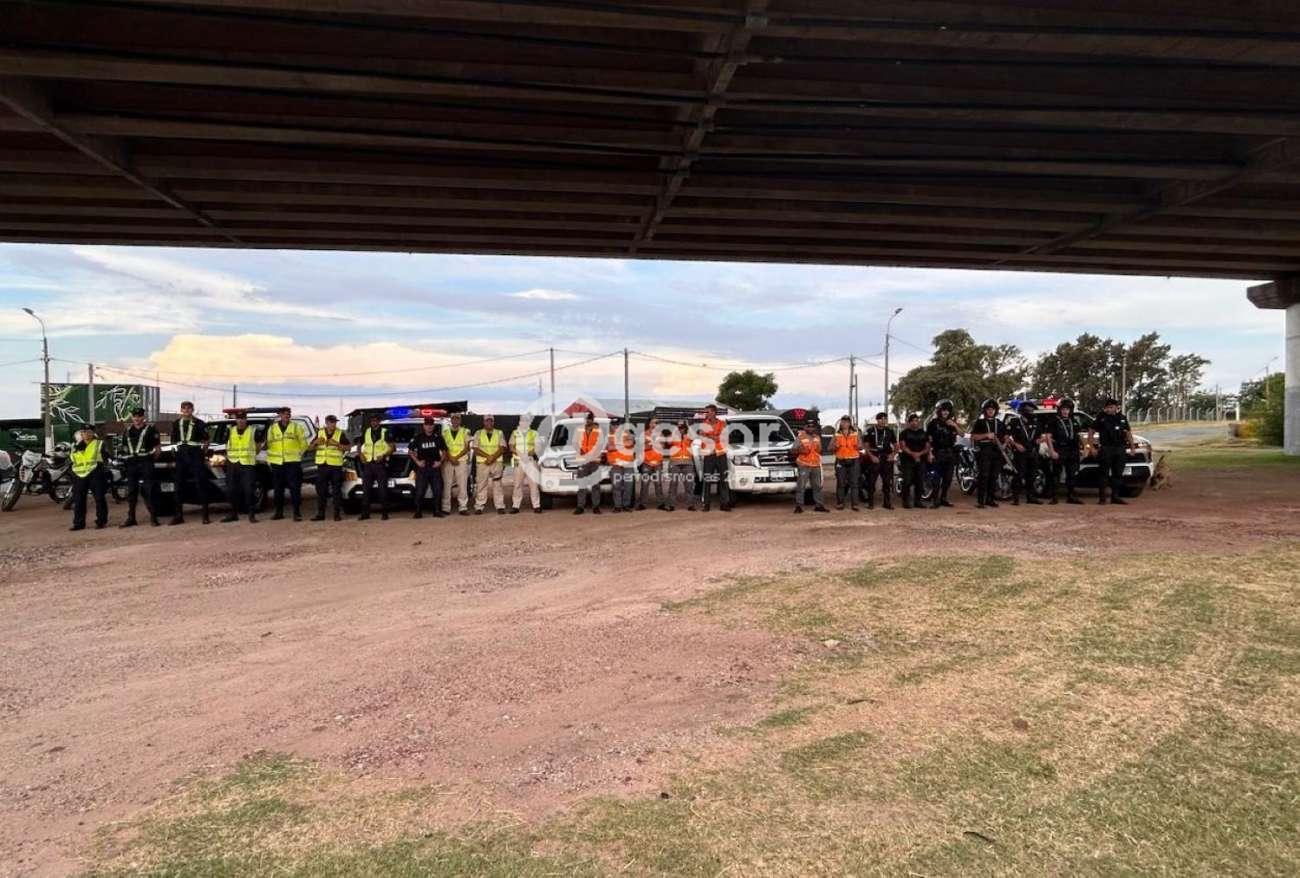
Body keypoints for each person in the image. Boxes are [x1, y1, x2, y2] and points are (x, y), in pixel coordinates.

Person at [118, 406, 160, 528]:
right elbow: (124, 448)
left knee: (149, 491)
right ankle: (131, 518)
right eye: (134, 416)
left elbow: (158, 448)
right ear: (132, 417)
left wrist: (150, 461)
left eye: (139, 416)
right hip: (132, 464)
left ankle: (154, 518)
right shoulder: (127, 431)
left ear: (143, 417)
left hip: (146, 462)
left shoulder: (151, 430)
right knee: (131, 491)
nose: (137, 418)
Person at [170, 400, 210, 525]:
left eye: (189, 408)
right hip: (181, 455)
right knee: (178, 485)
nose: (186, 410)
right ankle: (178, 516)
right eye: (184, 408)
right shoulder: (176, 423)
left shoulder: (200, 423)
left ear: (192, 410)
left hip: (195, 454)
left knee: (201, 484)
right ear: (181, 410)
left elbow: (206, 440)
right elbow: (173, 440)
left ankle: (205, 515)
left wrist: (201, 453)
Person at [1093, 397, 1137, 505]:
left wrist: (1132, 447)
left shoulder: (1122, 418)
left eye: (1111, 407)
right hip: (1106, 448)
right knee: (1103, 474)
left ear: (1116, 407)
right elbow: (1091, 431)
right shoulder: (1101, 417)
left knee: (1118, 473)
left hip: (1120, 448)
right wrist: (1092, 448)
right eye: (1107, 407)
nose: (1109, 409)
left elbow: (1128, 433)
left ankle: (1115, 497)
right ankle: (1102, 498)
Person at [265, 406, 307, 521]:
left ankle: (296, 513)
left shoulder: (296, 427)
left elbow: (304, 443)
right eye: (284, 413)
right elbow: (269, 443)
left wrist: (298, 454)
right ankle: (279, 512)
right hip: (277, 463)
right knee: (278, 489)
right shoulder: (272, 428)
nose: (287, 415)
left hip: (292, 462)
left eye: (288, 413)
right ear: (280, 415)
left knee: (295, 488)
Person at [221, 409, 260, 523]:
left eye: (243, 418)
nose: (240, 421)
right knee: (232, 490)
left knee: (249, 490)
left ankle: (251, 514)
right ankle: (233, 514)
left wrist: (251, 455)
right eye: (238, 418)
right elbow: (226, 445)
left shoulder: (253, 431)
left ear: (246, 419)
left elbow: (258, 447)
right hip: (233, 463)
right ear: (236, 419)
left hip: (248, 464)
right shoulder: (230, 430)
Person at [969, 398, 1008, 509]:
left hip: (997, 452)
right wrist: (986, 435)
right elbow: (973, 437)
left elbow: (1006, 436)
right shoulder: (980, 422)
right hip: (984, 452)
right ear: (985, 410)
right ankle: (981, 501)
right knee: (984, 476)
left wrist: (1004, 444)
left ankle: (990, 499)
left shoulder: (1000, 423)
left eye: (993, 409)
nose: (991, 411)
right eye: (988, 409)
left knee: (994, 476)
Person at [1044, 397, 1084, 505]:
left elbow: (1078, 436)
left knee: (1072, 474)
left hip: (1072, 450)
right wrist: (1052, 451)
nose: (1065, 411)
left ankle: (1071, 496)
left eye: (1067, 409)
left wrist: (1081, 449)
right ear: (1059, 410)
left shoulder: (1073, 421)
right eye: (1063, 409)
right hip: (1059, 449)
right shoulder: (1054, 421)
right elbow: (1048, 437)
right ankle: (1054, 497)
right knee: (1056, 474)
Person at [310, 414, 349, 521]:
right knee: (321, 491)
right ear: (326, 423)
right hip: (322, 466)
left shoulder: (340, 433)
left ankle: (337, 514)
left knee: (336, 491)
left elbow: (348, 448)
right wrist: (315, 442)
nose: (333, 424)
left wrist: (337, 444)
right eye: (331, 422)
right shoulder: (320, 432)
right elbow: (309, 448)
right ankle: (320, 514)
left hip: (335, 466)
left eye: (335, 422)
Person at [69, 425, 108, 531]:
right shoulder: (75, 446)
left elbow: (106, 457)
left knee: (99, 498)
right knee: (79, 500)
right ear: (81, 434)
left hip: (95, 473)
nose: (86, 434)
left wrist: (103, 469)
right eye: (84, 432)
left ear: (92, 433)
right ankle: (78, 523)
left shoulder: (99, 444)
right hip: (79, 475)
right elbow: (72, 460)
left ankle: (101, 521)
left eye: (88, 432)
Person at [409, 416, 447, 519]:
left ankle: (437, 511)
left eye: (431, 424)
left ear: (433, 426)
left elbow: (444, 451)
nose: (429, 426)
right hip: (423, 468)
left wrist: (440, 462)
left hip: (434, 467)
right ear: (424, 426)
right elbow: (410, 451)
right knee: (420, 490)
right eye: (427, 424)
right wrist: (417, 462)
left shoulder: (438, 437)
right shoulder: (418, 437)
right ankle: (418, 511)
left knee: (437, 490)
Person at [1007, 401, 1044, 505]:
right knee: (1019, 475)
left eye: (1032, 411)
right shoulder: (1014, 421)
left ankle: (1030, 497)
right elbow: (1007, 436)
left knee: (1032, 475)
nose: (1032, 413)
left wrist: (1040, 440)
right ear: (1023, 411)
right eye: (1029, 411)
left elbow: (1040, 436)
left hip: (1033, 452)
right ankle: (1015, 498)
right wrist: (1016, 444)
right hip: (1020, 452)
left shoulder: (1036, 423)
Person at [925, 399, 960, 509]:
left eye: (947, 410)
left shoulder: (952, 423)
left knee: (948, 478)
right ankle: (935, 500)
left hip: (950, 453)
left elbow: (962, 434)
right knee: (936, 478)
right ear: (939, 411)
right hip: (937, 452)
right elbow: (928, 440)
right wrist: (929, 454)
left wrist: (954, 425)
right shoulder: (933, 423)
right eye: (943, 410)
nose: (945, 412)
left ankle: (943, 498)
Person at [697, 404, 731, 512]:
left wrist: (708, 435)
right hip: (709, 455)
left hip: (720, 454)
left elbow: (722, 438)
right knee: (707, 480)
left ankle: (724, 504)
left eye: (707, 412)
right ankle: (706, 504)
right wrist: (713, 436)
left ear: (713, 412)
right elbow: (705, 438)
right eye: (705, 412)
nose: (706, 414)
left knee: (723, 479)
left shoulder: (722, 423)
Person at [358, 411, 392, 521]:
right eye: (372, 421)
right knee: (366, 490)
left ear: (379, 421)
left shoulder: (384, 432)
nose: (374, 422)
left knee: (382, 490)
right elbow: (359, 444)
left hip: (380, 465)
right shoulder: (366, 432)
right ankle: (365, 513)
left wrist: (383, 455)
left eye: (376, 421)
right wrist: (361, 455)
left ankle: (385, 513)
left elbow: (392, 447)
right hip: (368, 464)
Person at [473, 414, 507, 515]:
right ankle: (479, 506)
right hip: (483, 463)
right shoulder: (478, 433)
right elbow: (475, 448)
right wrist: (489, 457)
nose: (489, 422)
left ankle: (500, 506)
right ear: (484, 422)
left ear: (493, 422)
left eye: (491, 421)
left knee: (497, 485)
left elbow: (502, 448)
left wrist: (492, 458)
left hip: (496, 463)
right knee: (481, 485)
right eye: (487, 421)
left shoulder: (499, 433)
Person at [862, 412, 896, 510]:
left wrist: (892, 455)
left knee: (887, 481)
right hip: (875, 457)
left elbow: (896, 445)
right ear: (877, 420)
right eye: (881, 419)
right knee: (871, 481)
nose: (883, 421)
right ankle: (870, 503)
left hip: (886, 458)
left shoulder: (889, 431)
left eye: (885, 419)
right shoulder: (870, 431)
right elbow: (866, 446)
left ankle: (887, 502)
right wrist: (871, 456)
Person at [441, 412, 472, 516]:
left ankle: (463, 507)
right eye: (453, 418)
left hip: (461, 461)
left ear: (460, 420)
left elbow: (467, 447)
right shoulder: (445, 432)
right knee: (447, 485)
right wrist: (451, 458)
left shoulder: (465, 431)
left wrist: (456, 457)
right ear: (451, 420)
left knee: (462, 484)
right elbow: (443, 448)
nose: (455, 420)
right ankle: (446, 508)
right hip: (448, 461)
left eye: (457, 418)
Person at [574, 412, 605, 515]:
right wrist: (581, 451)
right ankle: (580, 507)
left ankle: (596, 506)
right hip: (582, 460)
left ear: (593, 419)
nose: (588, 420)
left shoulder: (598, 430)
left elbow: (600, 444)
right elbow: (575, 443)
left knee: (595, 485)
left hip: (594, 461)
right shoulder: (578, 429)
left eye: (590, 418)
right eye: (587, 419)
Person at [793, 423, 828, 513]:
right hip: (804, 464)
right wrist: (800, 450)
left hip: (815, 465)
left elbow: (819, 450)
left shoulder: (817, 437)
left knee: (817, 486)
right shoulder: (800, 437)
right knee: (801, 486)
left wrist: (819, 451)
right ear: (805, 427)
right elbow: (793, 450)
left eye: (812, 426)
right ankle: (799, 506)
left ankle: (819, 505)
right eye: (808, 426)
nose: (811, 428)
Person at [509, 418, 541, 514]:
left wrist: (527, 455)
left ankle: (536, 506)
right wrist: (520, 454)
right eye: (523, 421)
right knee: (517, 484)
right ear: (520, 422)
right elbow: (511, 446)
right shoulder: (515, 433)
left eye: (526, 421)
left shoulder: (534, 433)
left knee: (534, 484)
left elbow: (537, 447)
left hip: (530, 461)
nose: (524, 423)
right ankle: (515, 506)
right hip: (518, 461)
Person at [898, 413, 930, 509]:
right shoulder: (904, 433)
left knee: (919, 481)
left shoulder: (923, 433)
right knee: (907, 480)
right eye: (912, 421)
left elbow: (927, 446)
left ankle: (918, 501)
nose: (914, 423)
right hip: (907, 460)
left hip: (921, 459)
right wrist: (913, 454)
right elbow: (903, 446)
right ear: (909, 422)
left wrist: (919, 454)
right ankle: (906, 501)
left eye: (916, 421)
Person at [832, 415, 861, 511]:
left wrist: (858, 445)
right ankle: (840, 503)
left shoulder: (856, 434)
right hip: (841, 461)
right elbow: (829, 448)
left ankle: (855, 504)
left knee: (854, 483)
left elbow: (861, 446)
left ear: (849, 423)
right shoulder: (836, 434)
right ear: (840, 423)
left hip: (854, 460)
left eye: (847, 422)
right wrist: (835, 446)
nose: (845, 424)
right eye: (843, 422)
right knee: (841, 483)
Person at [667, 419, 695, 512]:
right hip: (675, 462)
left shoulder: (689, 435)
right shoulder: (673, 435)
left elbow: (695, 437)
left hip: (688, 462)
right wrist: (676, 429)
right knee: (673, 485)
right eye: (679, 427)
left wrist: (688, 426)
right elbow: (668, 442)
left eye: (683, 427)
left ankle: (690, 505)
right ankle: (671, 505)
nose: (681, 429)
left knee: (689, 485)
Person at [608, 425, 638, 512]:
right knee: (616, 486)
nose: (615, 427)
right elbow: (609, 447)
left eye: (617, 425)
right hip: (615, 465)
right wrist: (624, 444)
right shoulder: (609, 436)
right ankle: (617, 506)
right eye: (614, 425)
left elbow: (630, 443)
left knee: (628, 486)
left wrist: (616, 445)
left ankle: (626, 505)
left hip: (628, 464)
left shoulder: (628, 434)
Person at [639, 418, 667, 511]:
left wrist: (651, 444)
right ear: (650, 424)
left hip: (658, 462)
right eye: (655, 422)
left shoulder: (661, 434)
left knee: (658, 484)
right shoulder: (644, 434)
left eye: (657, 423)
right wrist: (651, 445)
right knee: (645, 484)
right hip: (647, 463)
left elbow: (662, 446)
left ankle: (661, 503)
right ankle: (642, 504)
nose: (656, 424)